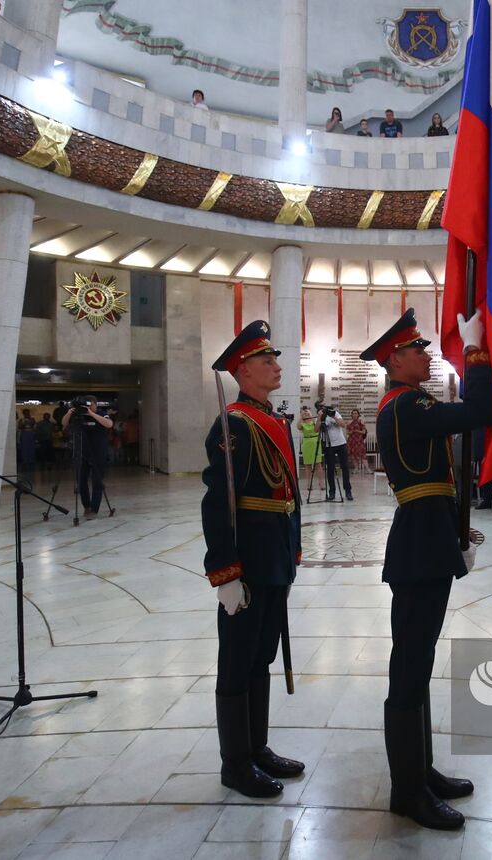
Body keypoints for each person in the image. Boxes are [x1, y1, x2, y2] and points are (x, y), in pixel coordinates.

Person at [360, 308, 492, 830]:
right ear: (395, 359)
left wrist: (456, 532)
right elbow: (480, 409)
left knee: (418, 662)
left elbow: (438, 479)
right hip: (417, 542)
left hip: (427, 534)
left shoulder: (408, 403)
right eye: (418, 350)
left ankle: (422, 769)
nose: (428, 355)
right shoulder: (407, 404)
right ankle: (407, 791)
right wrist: (477, 350)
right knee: (409, 668)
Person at [203, 320, 304, 798]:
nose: (276, 366)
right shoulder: (234, 424)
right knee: (238, 659)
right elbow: (218, 501)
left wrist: (293, 547)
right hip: (247, 559)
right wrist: (225, 572)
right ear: (242, 371)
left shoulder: (273, 420)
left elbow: (290, 493)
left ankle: (257, 747)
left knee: (262, 654)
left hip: (275, 555)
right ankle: (235, 763)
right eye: (267, 360)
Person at [60, 395, 113, 519]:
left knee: (97, 482)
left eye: (91, 405)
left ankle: (94, 509)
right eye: (87, 405)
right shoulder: (78, 416)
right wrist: (69, 413)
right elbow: (63, 424)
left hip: (98, 453)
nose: (88, 407)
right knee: (81, 482)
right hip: (82, 453)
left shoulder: (101, 413)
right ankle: (87, 507)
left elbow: (109, 424)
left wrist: (91, 414)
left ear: (96, 404)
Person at [320, 404, 354, 501]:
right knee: (330, 469)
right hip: (328, 445)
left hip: (341, 443)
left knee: (345, 467)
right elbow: (317, 429)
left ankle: (348, 491)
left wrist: (333, 416)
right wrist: (320, 417)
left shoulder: (336, 414)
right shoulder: (322, 416)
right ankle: (332, 492)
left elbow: (343, 425)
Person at [298, 406, 323, 490]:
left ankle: (321, 482)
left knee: (318, 464)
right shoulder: (302, 422)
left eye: (307, 412)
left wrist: (319, 418)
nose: (306, 413)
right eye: (304, 412)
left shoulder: (314, 420)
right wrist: (301, 418)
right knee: (307, 464)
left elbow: (317, 428)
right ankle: (309, 483)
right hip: (306, 443)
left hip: (315, 442)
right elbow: (298, 427)